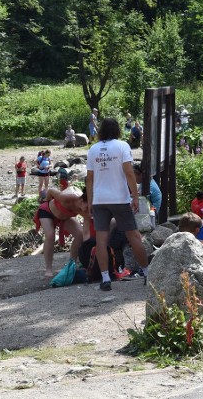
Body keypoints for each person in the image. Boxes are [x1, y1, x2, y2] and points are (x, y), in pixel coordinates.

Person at [85, 118, 149, 291]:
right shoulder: (122, 146)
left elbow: (89, 179)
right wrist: (135, 196)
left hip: (99, 199)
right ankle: (147, 272)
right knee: (133, 236)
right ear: (117, 130)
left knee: (101, 239)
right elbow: (129, 172)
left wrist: (90, 201)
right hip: (119, 198)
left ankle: (105, 278)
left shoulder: (93, 149)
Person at [39, 186, 89, 277]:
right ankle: (48, 268)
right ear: (81, 201)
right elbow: (50, 191)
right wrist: (46, 200)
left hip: (65, 217)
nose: (87, 210)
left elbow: (88, 227)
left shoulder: (85, 208)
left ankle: (72, 263)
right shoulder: (65, 197)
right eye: (87, 207)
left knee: (80, 235)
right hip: (48, 211)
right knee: (50, 236)